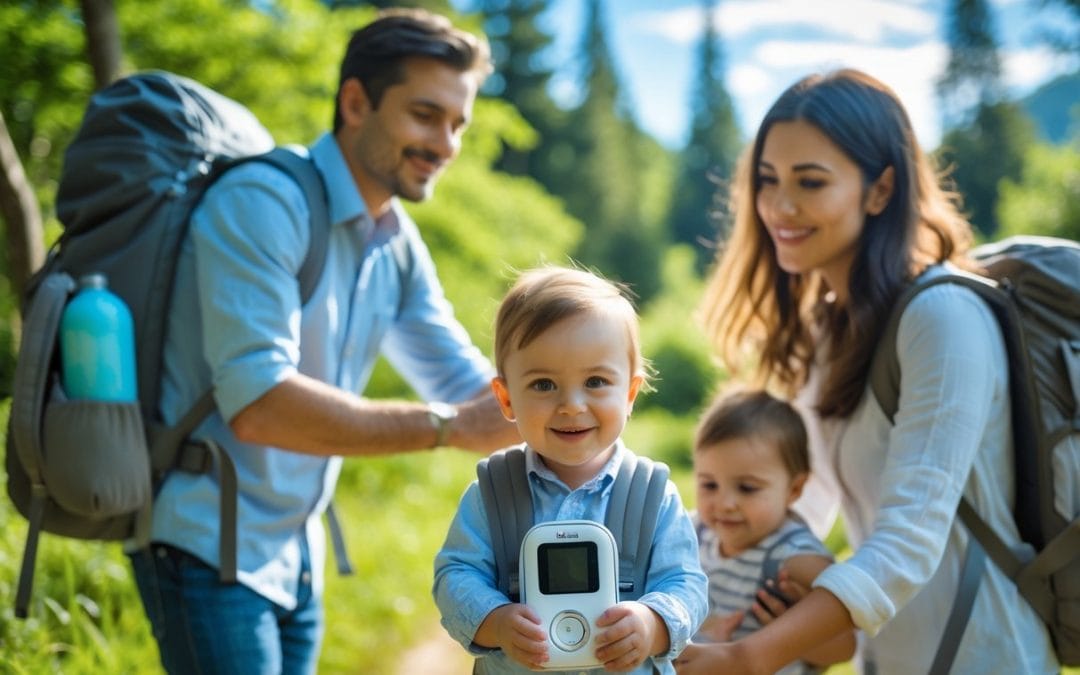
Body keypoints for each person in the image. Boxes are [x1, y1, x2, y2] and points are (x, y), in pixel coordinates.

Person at [128, 9, 521, 674]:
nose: (446, 144)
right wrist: (449, 427)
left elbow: (469, 383)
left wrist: (580, 421)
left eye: (458, 124)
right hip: (205, 544)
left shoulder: (395, 241)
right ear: (356, 102)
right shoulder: (264, 201)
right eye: (426, 115)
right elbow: (258, 405)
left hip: (296, 551)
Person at [674, 68, 1059, 674]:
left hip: (984, 656)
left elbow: (908, 541)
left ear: (881, 190)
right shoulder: (832, 327)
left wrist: (749, 657)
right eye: (768, 180)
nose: (780, 206)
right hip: (886, 658)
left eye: (810, 181)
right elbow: (801, 499)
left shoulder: (944, 316)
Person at [433, 266, 709, 674]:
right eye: (544, 385)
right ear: (506, 399)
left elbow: (686, 583)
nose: (572, 406)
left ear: (629, 393)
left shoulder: (652, 494)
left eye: (596, 381)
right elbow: (456, 574)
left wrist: (653, 624)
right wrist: (496, 622)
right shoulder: (492, 493)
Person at [689, 389, 855, 674]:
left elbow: (845, 647)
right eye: (709, 485)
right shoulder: (696, 533)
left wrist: (793, 628)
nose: (725, 504)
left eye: (747, 488)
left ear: (794, 489)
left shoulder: (795, 558)